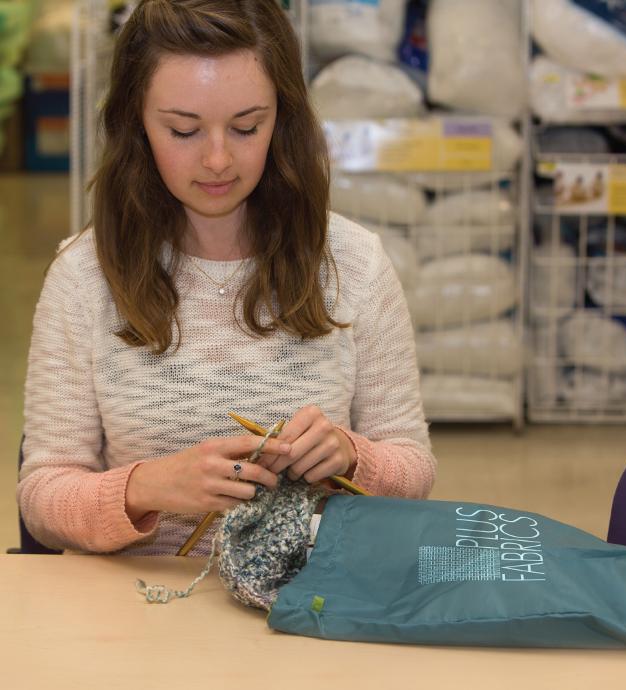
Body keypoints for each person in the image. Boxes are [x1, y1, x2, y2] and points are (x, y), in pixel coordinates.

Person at [17, 0, 435, 556]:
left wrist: (353, 457)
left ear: (281, 120)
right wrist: (146, 488)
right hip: (135, 618)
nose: (217, 160)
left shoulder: (353, 263)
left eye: (246, 127)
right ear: (136, 123)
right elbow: (43, 497)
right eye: (183, 130)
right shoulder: (84, 275)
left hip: (307, 608)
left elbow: (414, 469)